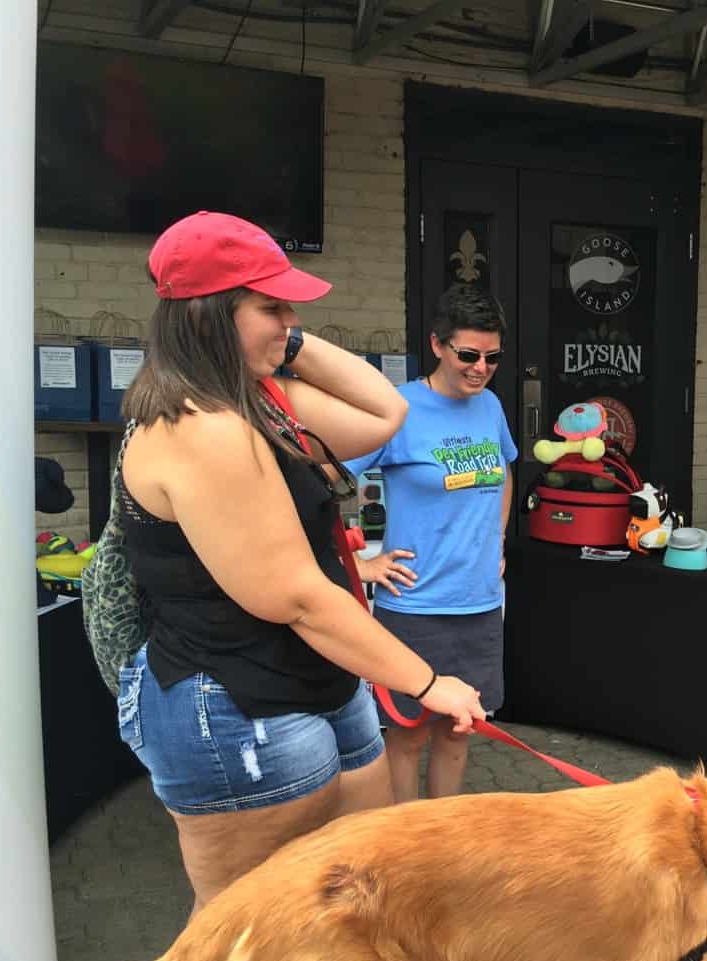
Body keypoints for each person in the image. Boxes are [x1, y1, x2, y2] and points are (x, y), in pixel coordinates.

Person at [114, 212, 483, 917]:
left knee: (344, 896)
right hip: (235, 701)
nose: (290, 320)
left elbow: (383, 414)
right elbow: (298, 597)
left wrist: (291, 342)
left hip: (310, 680)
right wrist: (426, 681)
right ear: (211, 315)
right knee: (239, 931)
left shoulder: (255, 396)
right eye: (271, 305)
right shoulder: (201, 428)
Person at [347, 284, 517, 802]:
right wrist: (362, 561)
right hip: (415, 605)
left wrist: (499, 541)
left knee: (459, 730)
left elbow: (504, 471)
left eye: (491, 357)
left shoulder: (489, 406)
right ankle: (404, 849)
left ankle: (443, 850)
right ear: (438, 345)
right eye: (468, 354)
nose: (480, 368)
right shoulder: (398, 409)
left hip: (481, 604)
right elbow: (323, 481)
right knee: (409, 735)